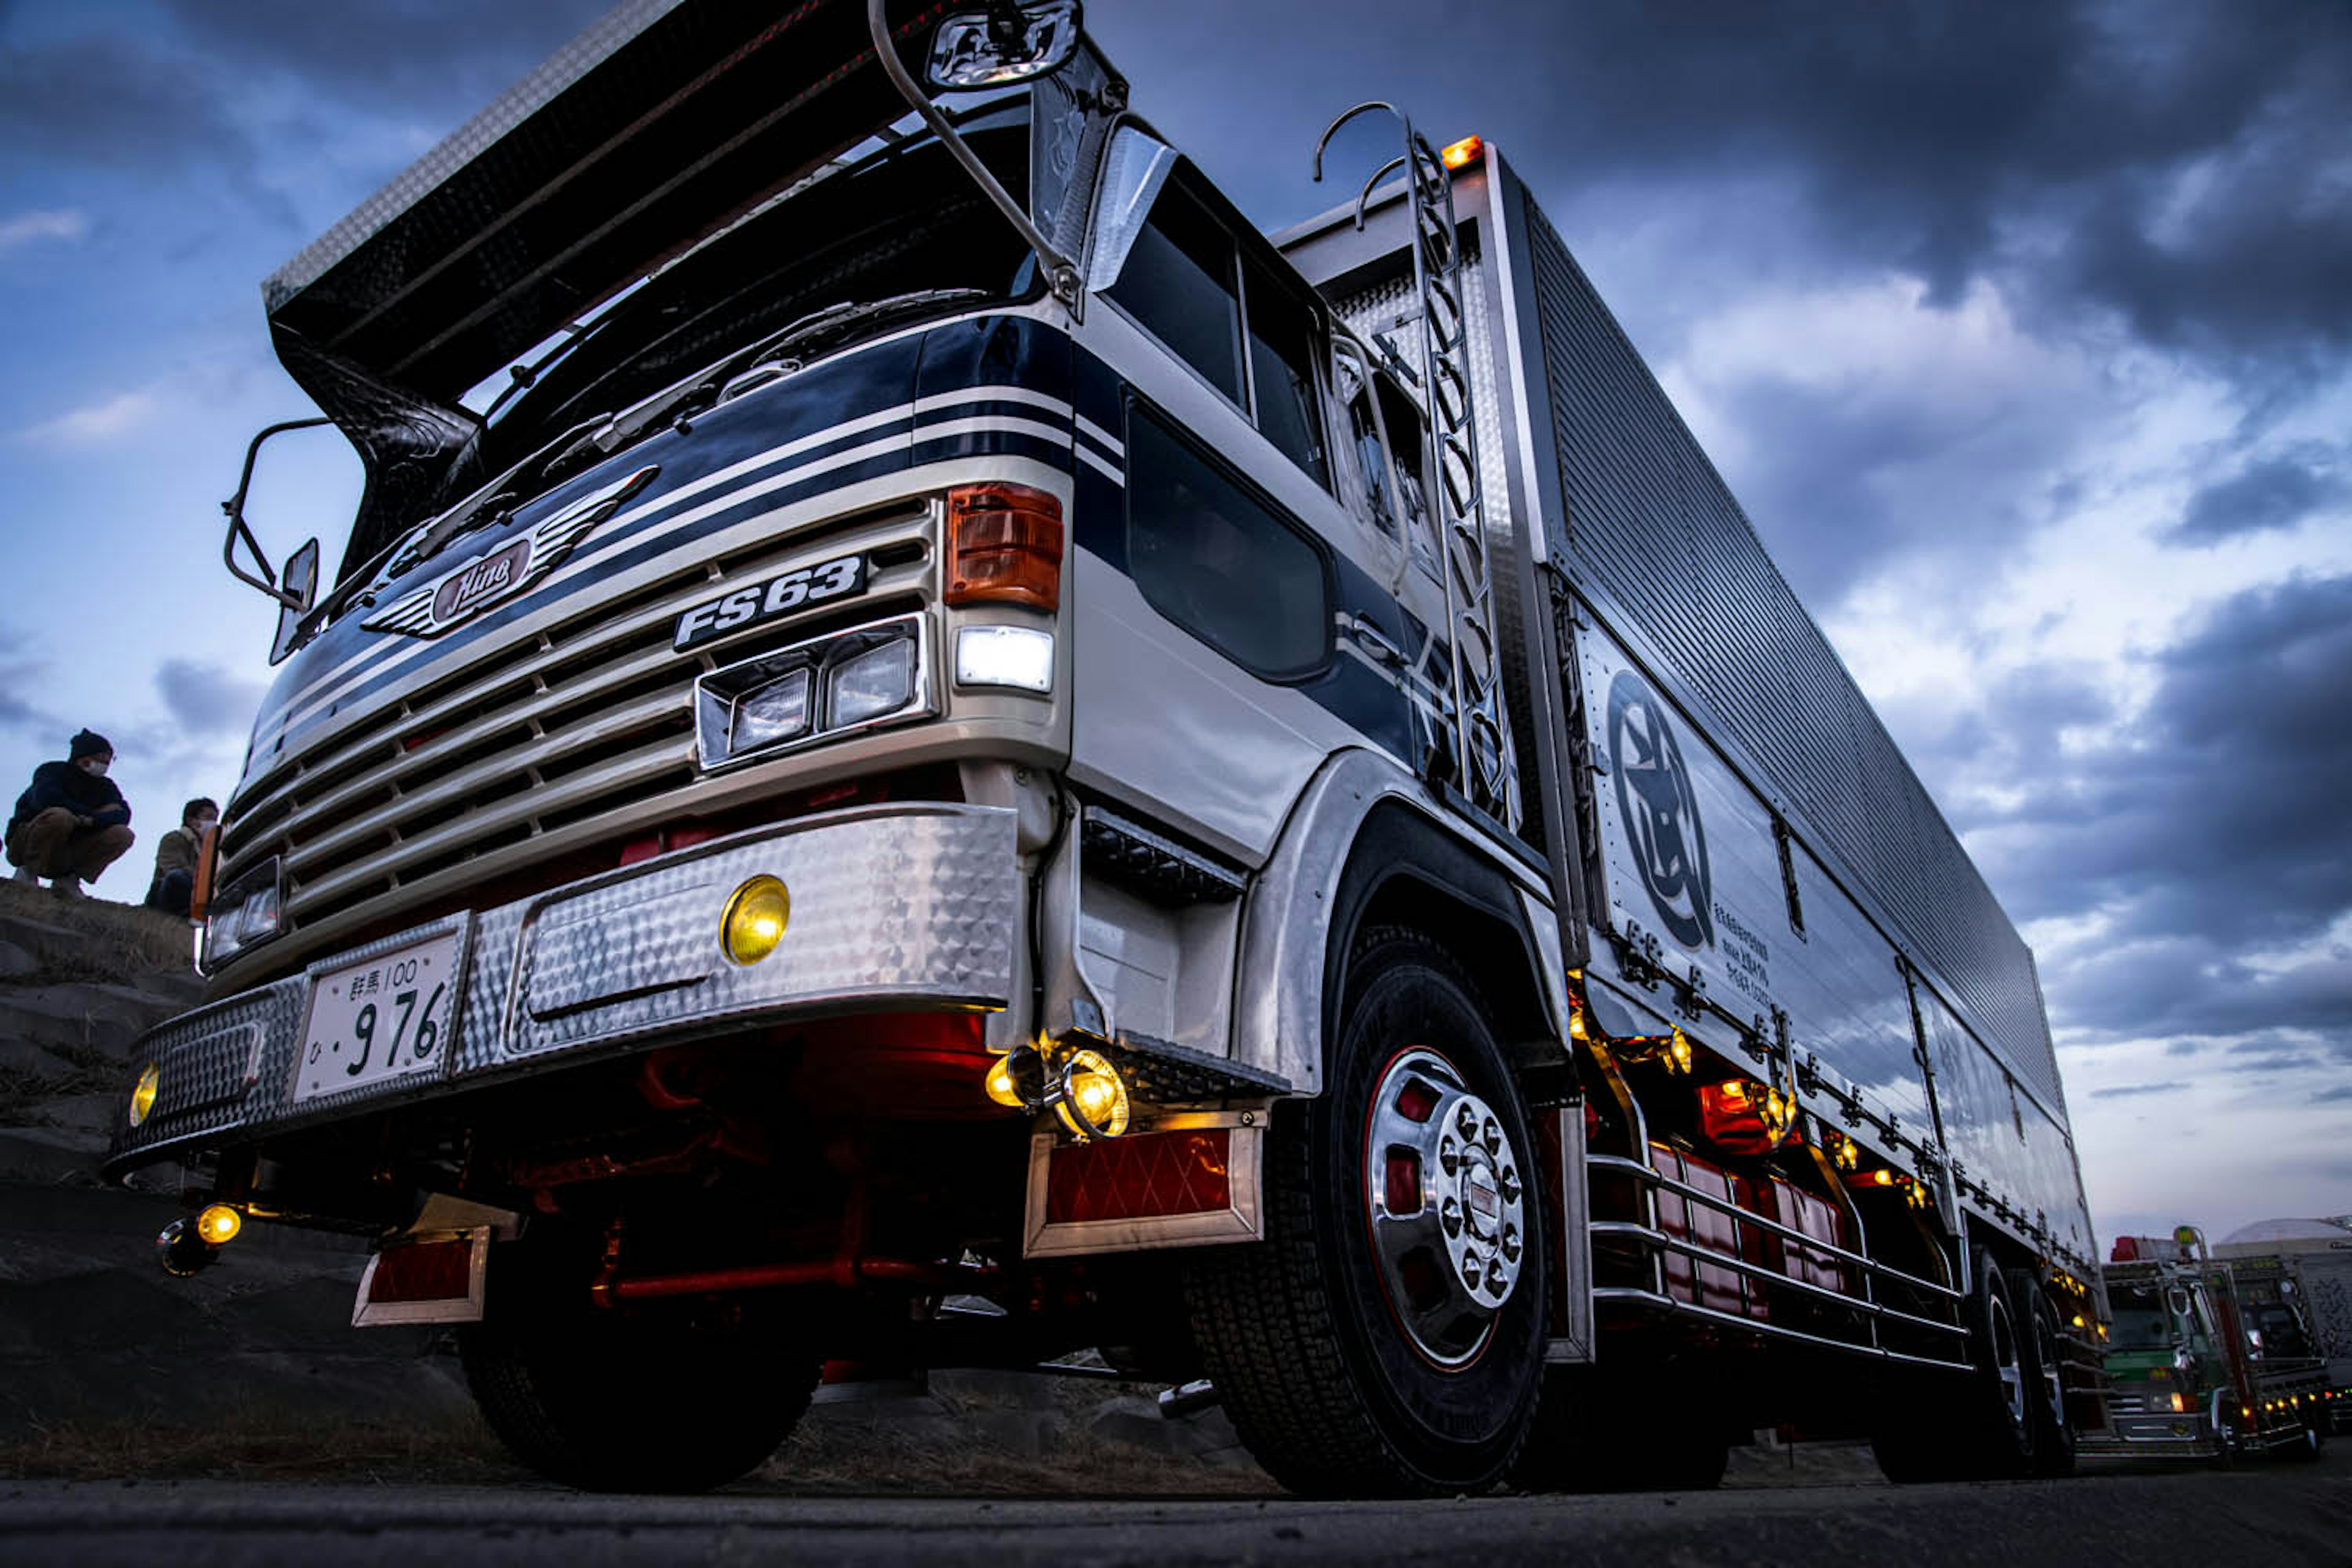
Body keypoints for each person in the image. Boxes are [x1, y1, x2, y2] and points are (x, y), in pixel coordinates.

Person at [6, 729, 135, 899]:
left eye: (109, 759)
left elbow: (123, 815)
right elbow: (46, 799)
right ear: (84, 757)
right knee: (60, 817)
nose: (106, 763)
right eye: (101, 757)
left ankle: (69, 880)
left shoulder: (106, 787)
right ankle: (28, 871)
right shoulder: (52, 771)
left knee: (122, 835)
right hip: (27, 843)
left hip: (67, 852)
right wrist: (90, 814)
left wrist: (89, 820)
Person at [145, 796, 217, 917]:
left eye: (215, 819)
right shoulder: (173, 839)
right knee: (177, 877)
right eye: (209, 818)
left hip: (199, 892)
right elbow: (175, 869)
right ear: (191, 821)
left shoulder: (209, 849)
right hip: (170, 894)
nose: (214, 824)